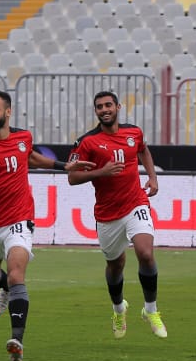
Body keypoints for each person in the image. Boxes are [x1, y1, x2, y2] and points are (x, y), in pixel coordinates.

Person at [0, 90, 92, 361]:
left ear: (8, 112)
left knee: (17, 274)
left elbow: (29, 157)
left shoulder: (23, 137)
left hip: (19, 219)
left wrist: (64, 165)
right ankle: (3, 289)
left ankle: (16, 340)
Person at [68, 90, 167, 339]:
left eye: (108, 105)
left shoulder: (133, 132)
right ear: (96, 111)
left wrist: (152, 178)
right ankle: (118, 308)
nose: (104, 109)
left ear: (118, 107)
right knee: (115, 264)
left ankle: (151, 311)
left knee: (145, 253)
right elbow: (72, 177)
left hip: (136, 203)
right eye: (100, 106)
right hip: (107, 213)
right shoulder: (87, 142)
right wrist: (101, 172)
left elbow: (143, 150)